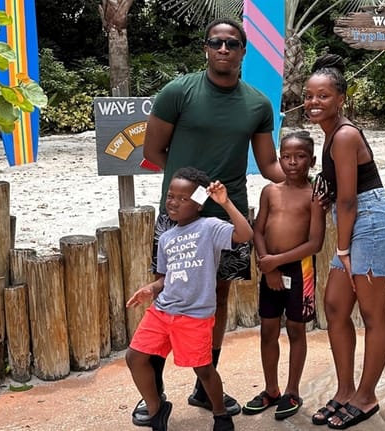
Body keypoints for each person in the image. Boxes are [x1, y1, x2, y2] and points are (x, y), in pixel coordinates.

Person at [134, 17, 285, 425]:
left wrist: (306, 180)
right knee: (170, 294)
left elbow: (269, 163)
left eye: (232, 44)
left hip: (228, 214)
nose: (223, 49)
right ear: (205, 47)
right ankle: (155, 389)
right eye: (216, 42)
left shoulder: (257, 103)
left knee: (217, 298)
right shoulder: (177, 92)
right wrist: (190, 194)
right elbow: (154, 150)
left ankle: (205, 385)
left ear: (242, 52)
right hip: (180, 216)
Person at [304, 54, 385, 429]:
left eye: (323, 96)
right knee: (334, 306)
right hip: (355, 224)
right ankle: (345, 390)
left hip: (373, 225)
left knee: (372, 315)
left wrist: (342, 249)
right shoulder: (333, 135)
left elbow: (351, 199)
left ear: (341, 99)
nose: (314, 102)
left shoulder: (344, 135)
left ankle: (366, 397)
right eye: (309, 96)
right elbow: (342, 195)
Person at [125, 167, 253, 431]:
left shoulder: (209, 227)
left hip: (194, 315)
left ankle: (220, 415)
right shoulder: (167, 238)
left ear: (198, 203)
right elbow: (165, 277)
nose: (173, 202)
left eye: (183, 198)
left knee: (203, 369)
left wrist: (225, 202)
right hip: (162, 311)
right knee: (135, 356)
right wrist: (151, 288)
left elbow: (245, 235)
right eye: (170, 196)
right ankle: (156, 409)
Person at [242, 131, 326, 420]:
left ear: (311, 160)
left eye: (300, 157)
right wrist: (269, 266)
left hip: (299, 269)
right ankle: (271, 389)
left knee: (295, 329)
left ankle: (292, 390)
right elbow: (258, 229)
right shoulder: (270, 191)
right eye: (287, 157)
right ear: (280, 159)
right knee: (267, 329)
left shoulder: (314, 196)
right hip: (270, 269)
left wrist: (276, 261)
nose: (293, 162)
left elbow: (315, 243)